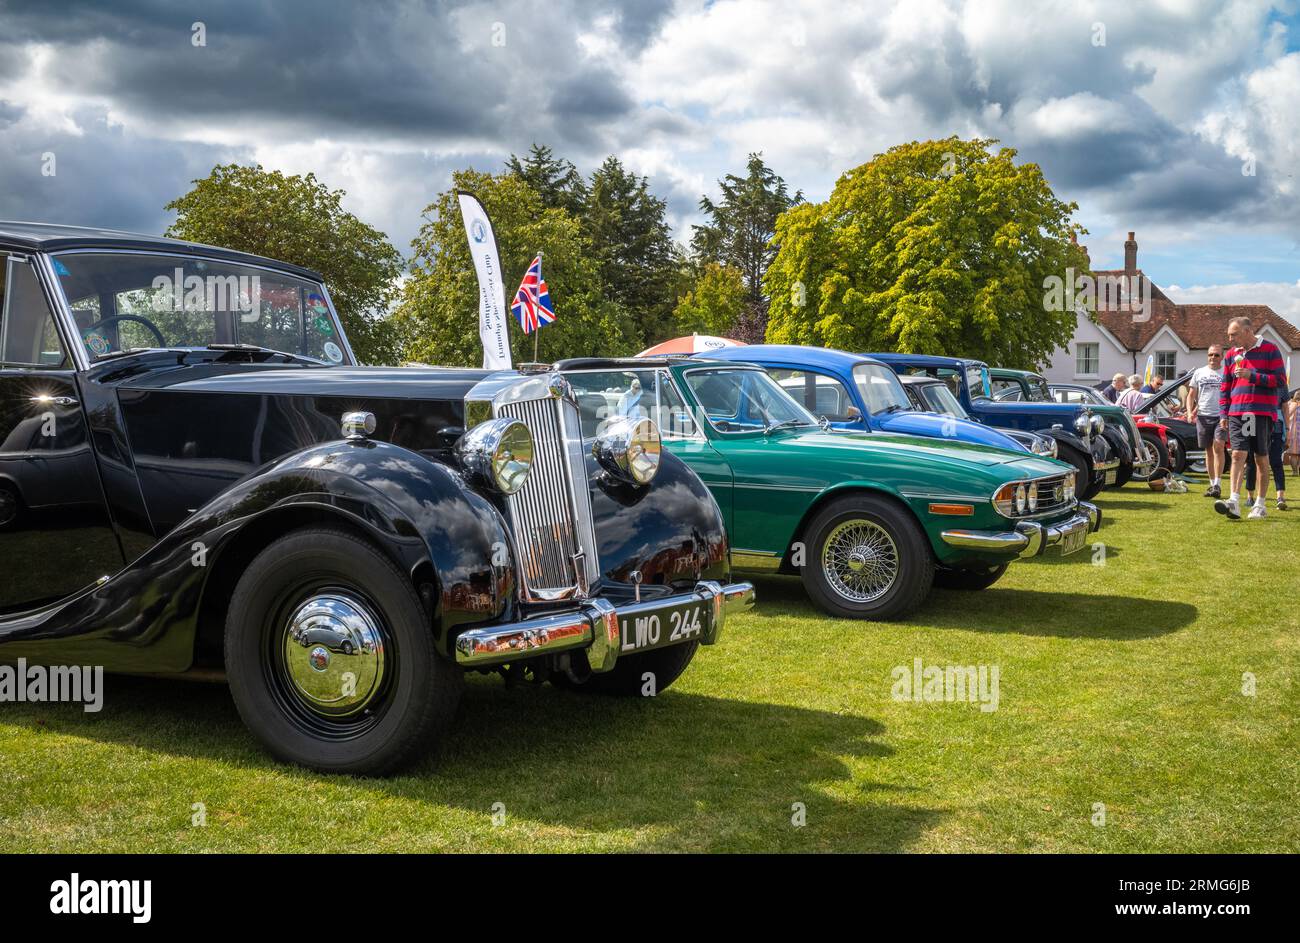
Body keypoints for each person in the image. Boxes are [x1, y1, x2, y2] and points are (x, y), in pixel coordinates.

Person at [1214, 316, 1287, 520]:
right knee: (1237, 455)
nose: (1230, 339)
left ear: (1248, 331)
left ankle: (1260, 505)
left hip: (1261, 412)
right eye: (1229, 335)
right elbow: (1225, 387)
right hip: (1238, 412)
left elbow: (1280, 381)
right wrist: (1223, 413)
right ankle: (1234, 502)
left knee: (1260, 458)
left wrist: (1252, 376)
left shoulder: (1270, 349)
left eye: (1234, 334)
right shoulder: (1231, 355)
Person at [1187, 345, 1228, 497]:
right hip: (1203, 416)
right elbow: (1191, 395)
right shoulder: (1199, 372)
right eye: (1210, 354)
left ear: (1222, 357)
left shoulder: (1226, 372)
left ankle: (1218, 483)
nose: (1213, 357)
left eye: (1216, 355)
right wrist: (1190, 412)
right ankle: (1212, 485)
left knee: (1219, 447)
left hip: (1221, 416)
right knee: (1208, 451)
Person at [1245, 384, 1287, 510]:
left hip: (1275, 423)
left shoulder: (1280, 382)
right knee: (1251, 461)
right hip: (1252, 420)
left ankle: (1280, 497)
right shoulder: (1250, 380)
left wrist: (1288, 428)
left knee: (1276, 461)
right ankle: (1250, 496)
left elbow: (1285, 407)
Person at [1287, 389, 1300, 476]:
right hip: (1295, 431)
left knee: (1293, 454)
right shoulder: (1293, 404)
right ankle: (1296, 471)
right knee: (1295, 454)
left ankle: (1295, 472)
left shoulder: (1290, 404)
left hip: (1293, 431)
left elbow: (1287, 415)